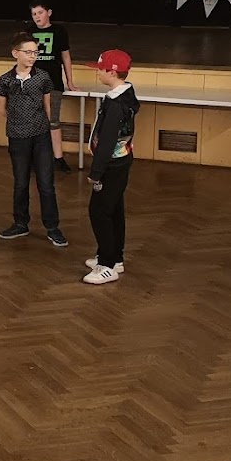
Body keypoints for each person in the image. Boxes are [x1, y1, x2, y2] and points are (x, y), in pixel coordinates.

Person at [0, 33, 67, 247]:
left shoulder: (43, 77)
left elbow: (48, 106)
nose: (33, 56)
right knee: (21, 182)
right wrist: (19, 121)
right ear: (15, 53)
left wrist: (44, 126)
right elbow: (1, 108)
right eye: (28, 52)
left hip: (41, 136)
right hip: (17, 137)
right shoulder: (6, 79)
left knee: (46, 183)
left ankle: (52, 227)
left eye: (35, 52)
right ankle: (20, 223)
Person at [83, 49, 139, 285]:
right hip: (120, 160)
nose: (98, 73)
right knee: (114, 209)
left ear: (112, 72)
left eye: (101, 70)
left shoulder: (116, 105)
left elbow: (107, 142)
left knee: (99, 211)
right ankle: (115, 257)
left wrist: (96, 172)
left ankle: (106, 265)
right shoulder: (125, 94)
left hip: (112, 164)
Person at [28, 0, 75, 173]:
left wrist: (70, 81)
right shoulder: (29, 32)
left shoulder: (59, 31)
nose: (37, 16)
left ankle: (58, 158)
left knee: (53, 120)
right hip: (32, 83)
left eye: (40, 12)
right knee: (32, 120)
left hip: (53, 83)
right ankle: (33, 157)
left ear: (49, 13)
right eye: (34, 14)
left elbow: (65, 57)